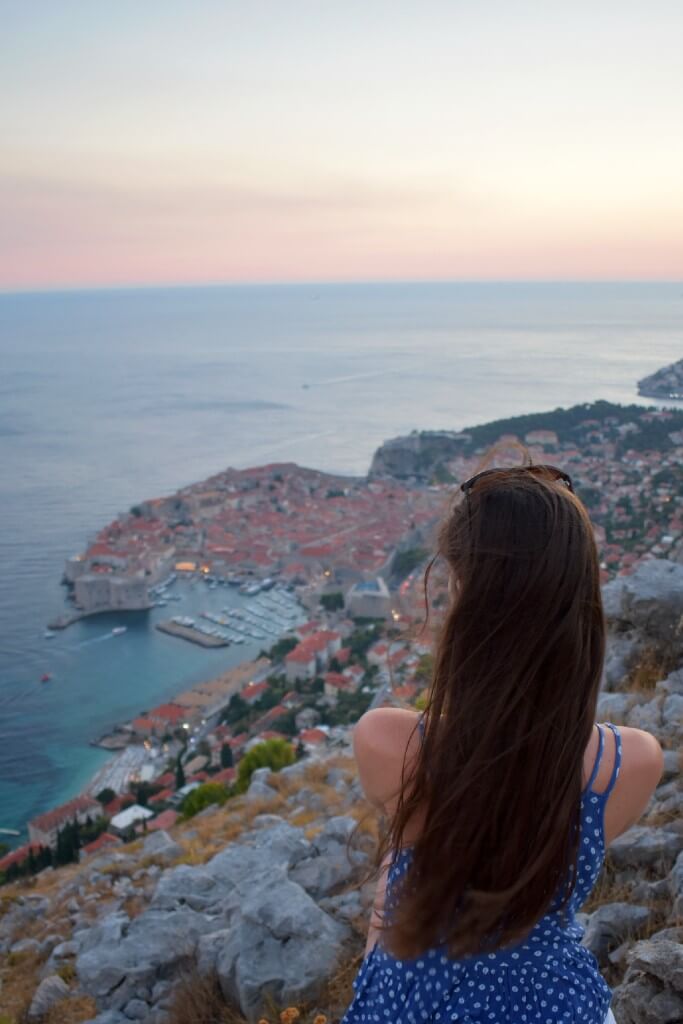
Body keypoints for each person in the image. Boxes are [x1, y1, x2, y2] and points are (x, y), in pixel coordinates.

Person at [342, 463, 663, 1024]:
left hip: (413, 1002)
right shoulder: (630, 762)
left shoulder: (389, 743)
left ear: (463, 595)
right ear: (579, 597)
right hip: (557, 1006)